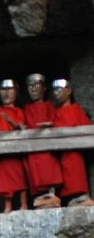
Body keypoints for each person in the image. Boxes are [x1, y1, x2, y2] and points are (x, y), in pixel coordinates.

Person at [0, 79, 29, 213]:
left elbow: (22, 127)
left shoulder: (19, 111)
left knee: (21, 178)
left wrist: (10, 121)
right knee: (5, 181)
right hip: (2, 153)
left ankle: (24, 204)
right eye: (3, 90)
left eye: (9, 89)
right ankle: (7, 206)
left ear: (16, 92)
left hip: (16, 151)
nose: (6, 93)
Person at [51, 78, 94, 207]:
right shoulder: (55, 112)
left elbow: (87, 127)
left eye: (59, 89)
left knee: (76, 167)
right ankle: (71, 198)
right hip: (62, 151)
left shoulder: (77, 109)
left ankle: (80, 196)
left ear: (69, 90)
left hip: (77, 150)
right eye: (54, 90)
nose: (56, 93)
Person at [23, 73, 62, 208]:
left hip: (47, 145)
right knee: (34, 171)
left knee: (49, 168)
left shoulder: (50, 105)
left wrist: (52, 125)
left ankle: (52, 194)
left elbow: (58, 120)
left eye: (36, 85)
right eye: (30, 86)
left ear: (44, 88)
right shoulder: (27, 108)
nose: (33, 89)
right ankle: (40, 197)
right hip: (33, 146)